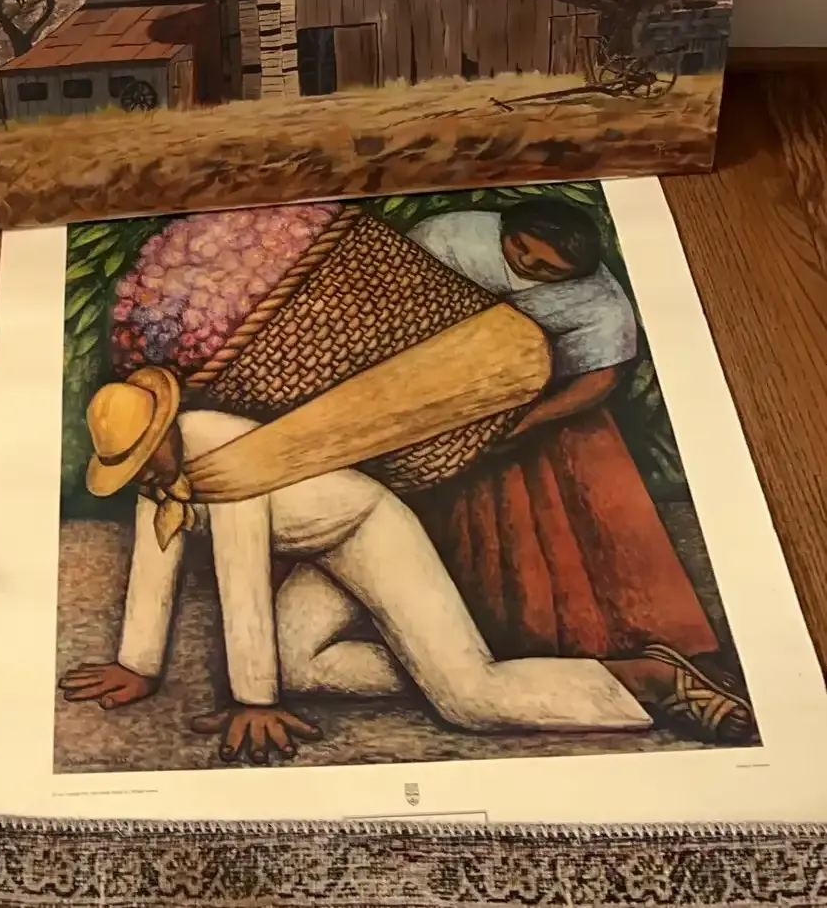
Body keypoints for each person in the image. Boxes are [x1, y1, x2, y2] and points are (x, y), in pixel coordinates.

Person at [60, 366, 752, 764]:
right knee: (302, 666)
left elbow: (241, 574)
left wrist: (254, 702)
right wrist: (137, 664)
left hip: (368, 530)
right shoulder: (162, 475)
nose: (140, 472)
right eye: (130, 463)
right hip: (319, 549)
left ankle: (648, 680)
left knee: (470, 701)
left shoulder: (223, 454)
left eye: (143, 455)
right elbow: (156, 553)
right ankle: (441, 664)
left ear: (166, 428)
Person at [407, 199, 740, 706]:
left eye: (549, 270)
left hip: (549, 410)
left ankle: (648, 650)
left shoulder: (602, 307)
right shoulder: (448, 235)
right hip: (444, 390)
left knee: (584, 521)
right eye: (521, 249)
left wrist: (530, 420)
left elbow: (600, 377)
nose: (528, 265)